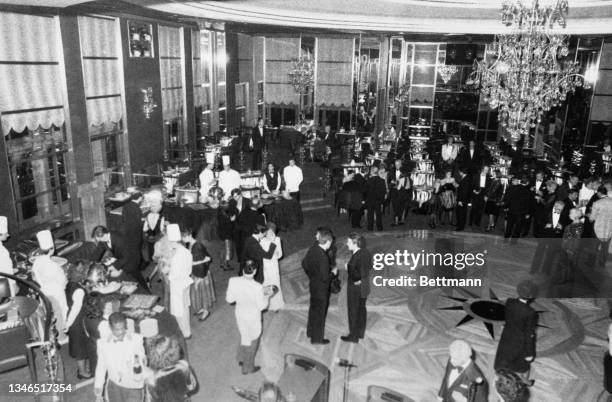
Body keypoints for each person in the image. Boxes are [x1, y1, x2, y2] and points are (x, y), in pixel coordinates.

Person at [226, 260, 271, 375]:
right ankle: (247, 367)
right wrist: (267, 296)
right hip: (253, 317)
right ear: (255, 271)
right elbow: (262, 306)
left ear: (242, 269)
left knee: (244, 334)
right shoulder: (258, 287)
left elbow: (229, 299)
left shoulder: (233, 281)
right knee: (253, 340)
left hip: (240, 314)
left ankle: (240, 357)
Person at [94, 312, 146, 402]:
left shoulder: (136, 339)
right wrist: (98, 394)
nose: (121, 332)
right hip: (115, 387)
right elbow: (101, 368)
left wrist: (135, 363)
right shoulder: (103, 344)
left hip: (133, 385)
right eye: (117, 329)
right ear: (110, 328)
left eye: (123, 328)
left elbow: (143, 361)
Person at [494, 281, 538, 381]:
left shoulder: (509, 301)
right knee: (523, 367)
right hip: (520, 343)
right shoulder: (531, 312)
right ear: (531, 296)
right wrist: (529, 353)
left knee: (504, 361)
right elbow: (529, 334)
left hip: (507, 337)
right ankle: (524, 382)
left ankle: (501, 380)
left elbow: (507, 317)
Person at [31, 230, 69, 335]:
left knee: (49, 315)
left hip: (43, 292)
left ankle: (52, 334)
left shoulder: (36, 262)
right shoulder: (53, 266)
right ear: (52, 249)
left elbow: (34, 277)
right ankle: (61, 336)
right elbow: (63, 281)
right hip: (56, 293)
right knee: (60, 313)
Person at [302, 230, 335, 344]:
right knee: (320, 313)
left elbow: (304, 263)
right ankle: (317, 339)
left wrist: (312, 276)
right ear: (328, 242)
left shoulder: (314, 248)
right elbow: (326, 278)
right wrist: (333, 273)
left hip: (313, 284)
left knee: (313, 309)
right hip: (321, 289)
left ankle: (310, 332)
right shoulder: (323, 258)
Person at [144, 335, 197, 402]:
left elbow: (151, 400)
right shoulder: (183, 366)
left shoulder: (151, 379)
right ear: (173, 353)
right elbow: (192, 386)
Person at [163, 224, 194, 339]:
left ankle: (185, 332)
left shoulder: (176, 257)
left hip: (178, 285)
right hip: (186, 282)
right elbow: (188, 268)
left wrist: (167, 270)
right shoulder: (186, 251)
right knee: (185, 307)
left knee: (178, 311)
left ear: (173, 242)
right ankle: (187, 330)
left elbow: (173, 275)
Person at [341, 232, 371, 343]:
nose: (346, 244)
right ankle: (360, 333)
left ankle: (353, 336)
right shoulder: (365, 252)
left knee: (353, 311)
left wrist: (348, 267)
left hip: (355, 288)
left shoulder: (356, 257)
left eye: (348, 242)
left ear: (355, 243)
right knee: (361, 309)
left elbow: (355, 275)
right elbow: (369, 266)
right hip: (365, 286)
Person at [65, 261, 93, 379]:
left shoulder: (70, 284)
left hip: (74, 320)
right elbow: (75, 309)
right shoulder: (79, 291)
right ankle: (82, 372)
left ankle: (83, 369)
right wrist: (68, 324)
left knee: (81, 346)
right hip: (77, 321)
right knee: (80, 349)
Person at [182, 230, 214, 322]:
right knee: (198, 293)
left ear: (189, 235)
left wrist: (201, 278)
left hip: (201, 274)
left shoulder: (197, 246)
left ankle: (206, 311)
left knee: (203, 294)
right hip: (196, 272)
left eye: (184, 237)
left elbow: (203, 263)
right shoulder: (192, 244)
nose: (183, 240)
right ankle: (202, 309)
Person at [260, 222, 284, 311]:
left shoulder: (277, 240)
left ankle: (277, 304)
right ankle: (267, 304)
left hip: (274, 265)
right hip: (266, 266)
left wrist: (277, 253)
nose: (270, 235)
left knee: (275, 282)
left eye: (272, 233)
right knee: (267, 283)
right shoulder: (262, 241)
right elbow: (262, 255)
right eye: (268, 233)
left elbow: (280, 254)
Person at [589, 178, 612, 268]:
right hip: (609, 229)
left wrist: (589, 216)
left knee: (594, 246)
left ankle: (591, 262)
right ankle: (602, 263)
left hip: (597, 229)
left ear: (599, 193)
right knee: (605, 248)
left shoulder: (597, 203)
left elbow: (592, 218)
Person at [504, 176, 532, 243]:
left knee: (509, 225)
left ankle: (506, 239)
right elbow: (528, 204)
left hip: (511, 210)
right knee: (518, 227)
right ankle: (513, 241)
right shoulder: (528, 191)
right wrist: (528, 213)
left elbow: (508, 198)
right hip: (521, 212)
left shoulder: (514, 188)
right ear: (527, 183)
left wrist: (506, 207)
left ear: (521, 181)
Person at [121, 191, 144, 269]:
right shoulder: (137, 208)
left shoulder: (125, 205)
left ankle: (130, 263)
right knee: (137, 249)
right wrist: (143, 221)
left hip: (127, 230)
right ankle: (138, 265)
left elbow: (123, 218)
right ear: (140, 198)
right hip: (135, 232)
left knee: (130, 248)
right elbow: (139, 222)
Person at [388, 159, 411, 227]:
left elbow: (406, 183)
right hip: (394, 192)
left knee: (401, 206)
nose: (397, 166)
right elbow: (389, 180)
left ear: (401, 164)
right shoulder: (392, 171)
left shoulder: (405, 172)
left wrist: (398, 183)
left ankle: (400, 220)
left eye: (398, 164)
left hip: (402, 192)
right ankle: (396, 221)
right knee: (395, 206)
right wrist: (391, 183)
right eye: (395, 164)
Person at [364, 165, 387, 231]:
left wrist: (365, 199)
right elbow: (384, 191)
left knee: (370, 214)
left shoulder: (368, 181)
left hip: (370, 200)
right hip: (378, 200)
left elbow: (365, 191)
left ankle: (370, 227)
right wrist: (382, 200)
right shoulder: (382, 181)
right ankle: (379, 227)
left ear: (371, 172)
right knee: (378, 214)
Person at [0, 216, 16, 295]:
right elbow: (8, 272)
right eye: (6, 233)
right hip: (4, 286)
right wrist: (14, 285)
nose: (8, 235)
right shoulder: (3, 252)